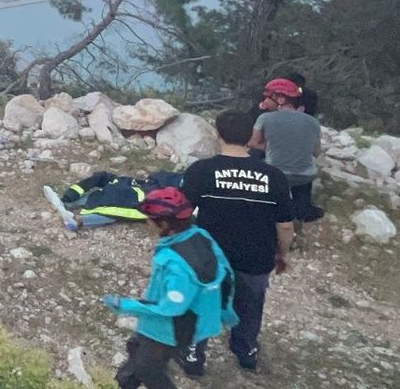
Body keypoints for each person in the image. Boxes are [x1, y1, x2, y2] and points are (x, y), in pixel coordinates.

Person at [180, 111, 294, 373]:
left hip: (210, 257)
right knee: (251, 305)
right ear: (251, 138)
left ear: (218, 134)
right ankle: (246, 351)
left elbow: (181, 215)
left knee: (202, 303)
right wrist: (281, 254)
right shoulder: (274, 176)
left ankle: (194, 357)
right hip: (255, 258)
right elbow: (285, 225)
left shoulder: (201, 171)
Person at [102, 188, 237, 389]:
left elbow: (170, 308)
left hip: (170, 329)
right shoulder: (200, 236)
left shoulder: (177, 265)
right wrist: (226, 312)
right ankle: (124, 383)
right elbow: (227, 274)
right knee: (136, 349)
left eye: (149, 219)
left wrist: (124, 305)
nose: (146, 222)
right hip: (185, 321)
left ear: (164, 224)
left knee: (149, 369)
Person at [249, 78, 324, 222]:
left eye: (269, 97)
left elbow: (253, 143)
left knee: (256, 159)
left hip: (275, 175)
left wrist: (271, 146)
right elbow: (316, 152)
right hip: (304, 176)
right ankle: (303, 209)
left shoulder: (265, 118)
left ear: (281, 99)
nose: (265, 101)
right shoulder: (312, 122)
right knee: (303, 173)